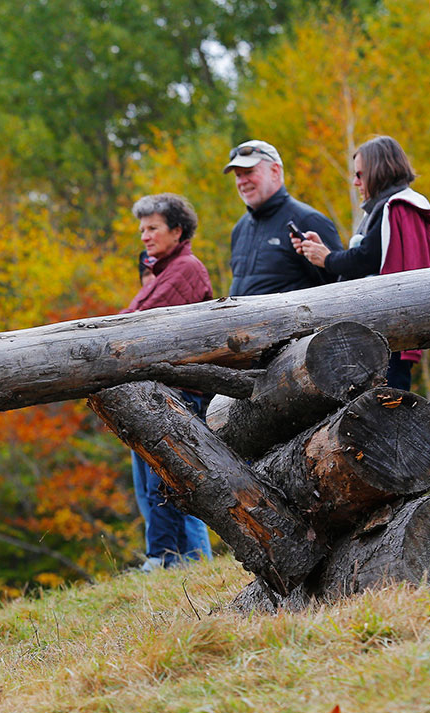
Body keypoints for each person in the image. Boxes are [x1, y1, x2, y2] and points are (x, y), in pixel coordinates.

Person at [292, 135, 430, 391]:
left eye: (360, 174)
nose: (355, 182)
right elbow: (369, 257)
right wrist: (324, 254)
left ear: (378, 171)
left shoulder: (397, 207)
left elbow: (366, 258)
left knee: (387, 399)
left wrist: (327, 258)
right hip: (385, 329)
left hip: (391, 327)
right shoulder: (392, 207)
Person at [120, 194, 214, 569]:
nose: (145, 236)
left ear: (177, 230)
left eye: (153, 228)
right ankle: (166, 559)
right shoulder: (166, 270)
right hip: (160, 394)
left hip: (178, 396)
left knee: (168, 484)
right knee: (153, 485)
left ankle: (168, 560)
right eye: (142, 229)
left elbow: (143, 321)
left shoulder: (186, 268)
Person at [223, 139, 344, 296]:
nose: (242, 181)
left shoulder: (308, 221)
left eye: (249, 172)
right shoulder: (240, 228)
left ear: (275, 171)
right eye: (238, 175)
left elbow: (339, 286)